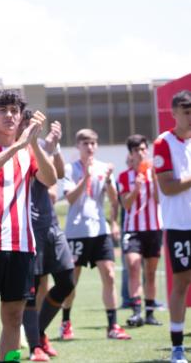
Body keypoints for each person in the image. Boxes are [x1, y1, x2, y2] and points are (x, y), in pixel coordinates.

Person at [0, 90, 57, 363]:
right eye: (2, 110)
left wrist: (34, 143)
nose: (9, 115)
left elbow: (50, 179)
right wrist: (16, 147)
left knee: (14, 318)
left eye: (14, 110)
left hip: (21, 247)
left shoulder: (30, 151)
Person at [60, 129, 130, 340]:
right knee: (71, 281)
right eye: (85, 143)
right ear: (77, 146)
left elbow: (114, 199)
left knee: (109, 275)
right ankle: (65, 322)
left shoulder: (104, 167)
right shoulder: (69, 169)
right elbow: (70, 198)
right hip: (76, 232)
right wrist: (87, 176)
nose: (89, 147)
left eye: (93, 143)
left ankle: (112, 325)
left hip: (100, 230)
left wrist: (108, 181)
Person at [16, 112, 75, 362]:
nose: (31, 129)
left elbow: (58, 175)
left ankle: (38, 333)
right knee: (31, 289)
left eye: (34, 125)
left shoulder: (39, 147)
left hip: (50, 224)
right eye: (27, 125)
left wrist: (54, 146)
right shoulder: (14, 150)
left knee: (67, 281)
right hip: (26, 227)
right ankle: (34, 347)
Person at [153, 90, 191, 363]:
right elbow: (167, 187)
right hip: (180, 224)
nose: (190, 116)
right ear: (174, 113)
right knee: (181, 282)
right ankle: (177, 347)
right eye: (186, 111)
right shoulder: (163, 143)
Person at [117, 134, 163, 327]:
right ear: (131, 154)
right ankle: (136, 312)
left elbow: (160, 200)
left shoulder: (156, 174)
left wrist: (153, 178)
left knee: (151, 272)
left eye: (144, 149)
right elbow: (126, 204)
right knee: (134, 265)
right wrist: (136, 188)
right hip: (133, 229)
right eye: (137, 150)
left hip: (154, 228)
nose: (142, 153)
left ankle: (150, 312)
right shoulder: (124, 176)